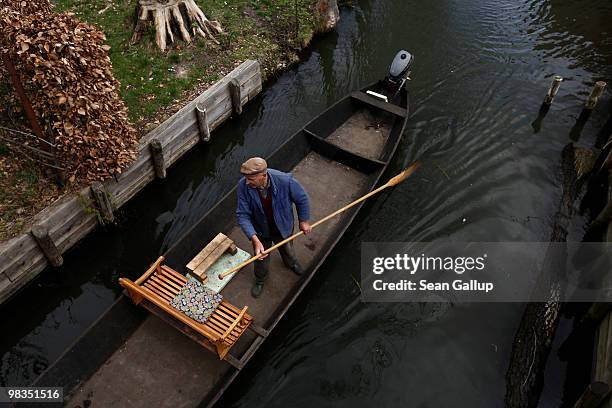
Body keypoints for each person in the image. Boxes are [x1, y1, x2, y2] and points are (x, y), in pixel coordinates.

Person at [236, 157, 312, 298]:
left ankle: (291, 263)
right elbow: (242, 215)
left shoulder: (285, 181)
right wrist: (255, 239)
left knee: (288, 249)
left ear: (263, 175)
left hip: (283, 227)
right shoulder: (243, 186)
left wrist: (304, 221)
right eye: (246, 178)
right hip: (260, 231)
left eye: (251, 179)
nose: (247, 182)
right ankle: (260, 279)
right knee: (261, 259)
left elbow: (302, 199)